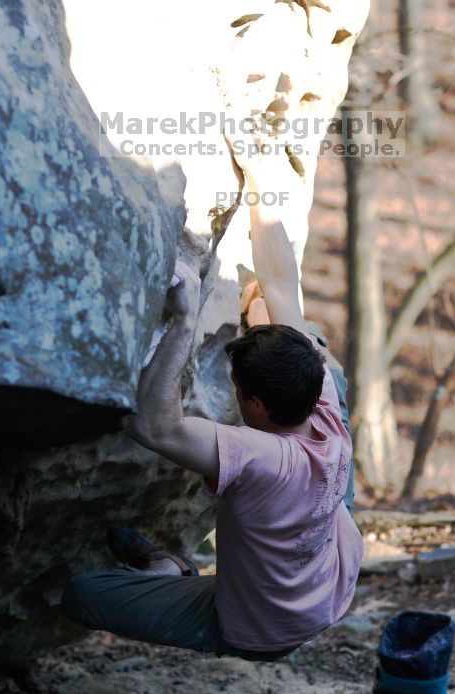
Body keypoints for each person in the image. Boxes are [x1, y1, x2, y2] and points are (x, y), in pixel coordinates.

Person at [62, 149, 363, 662]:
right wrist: (260, 181)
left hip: (262, 627)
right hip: (330, 581)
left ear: (256, 405)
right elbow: (283, 285)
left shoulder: (258, 458)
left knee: (83, 595)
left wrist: (183, 320)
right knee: (292, 325)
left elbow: (154, 427)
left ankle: (170, 571)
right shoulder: (322, 398)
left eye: (238, 387)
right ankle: (260, 315)